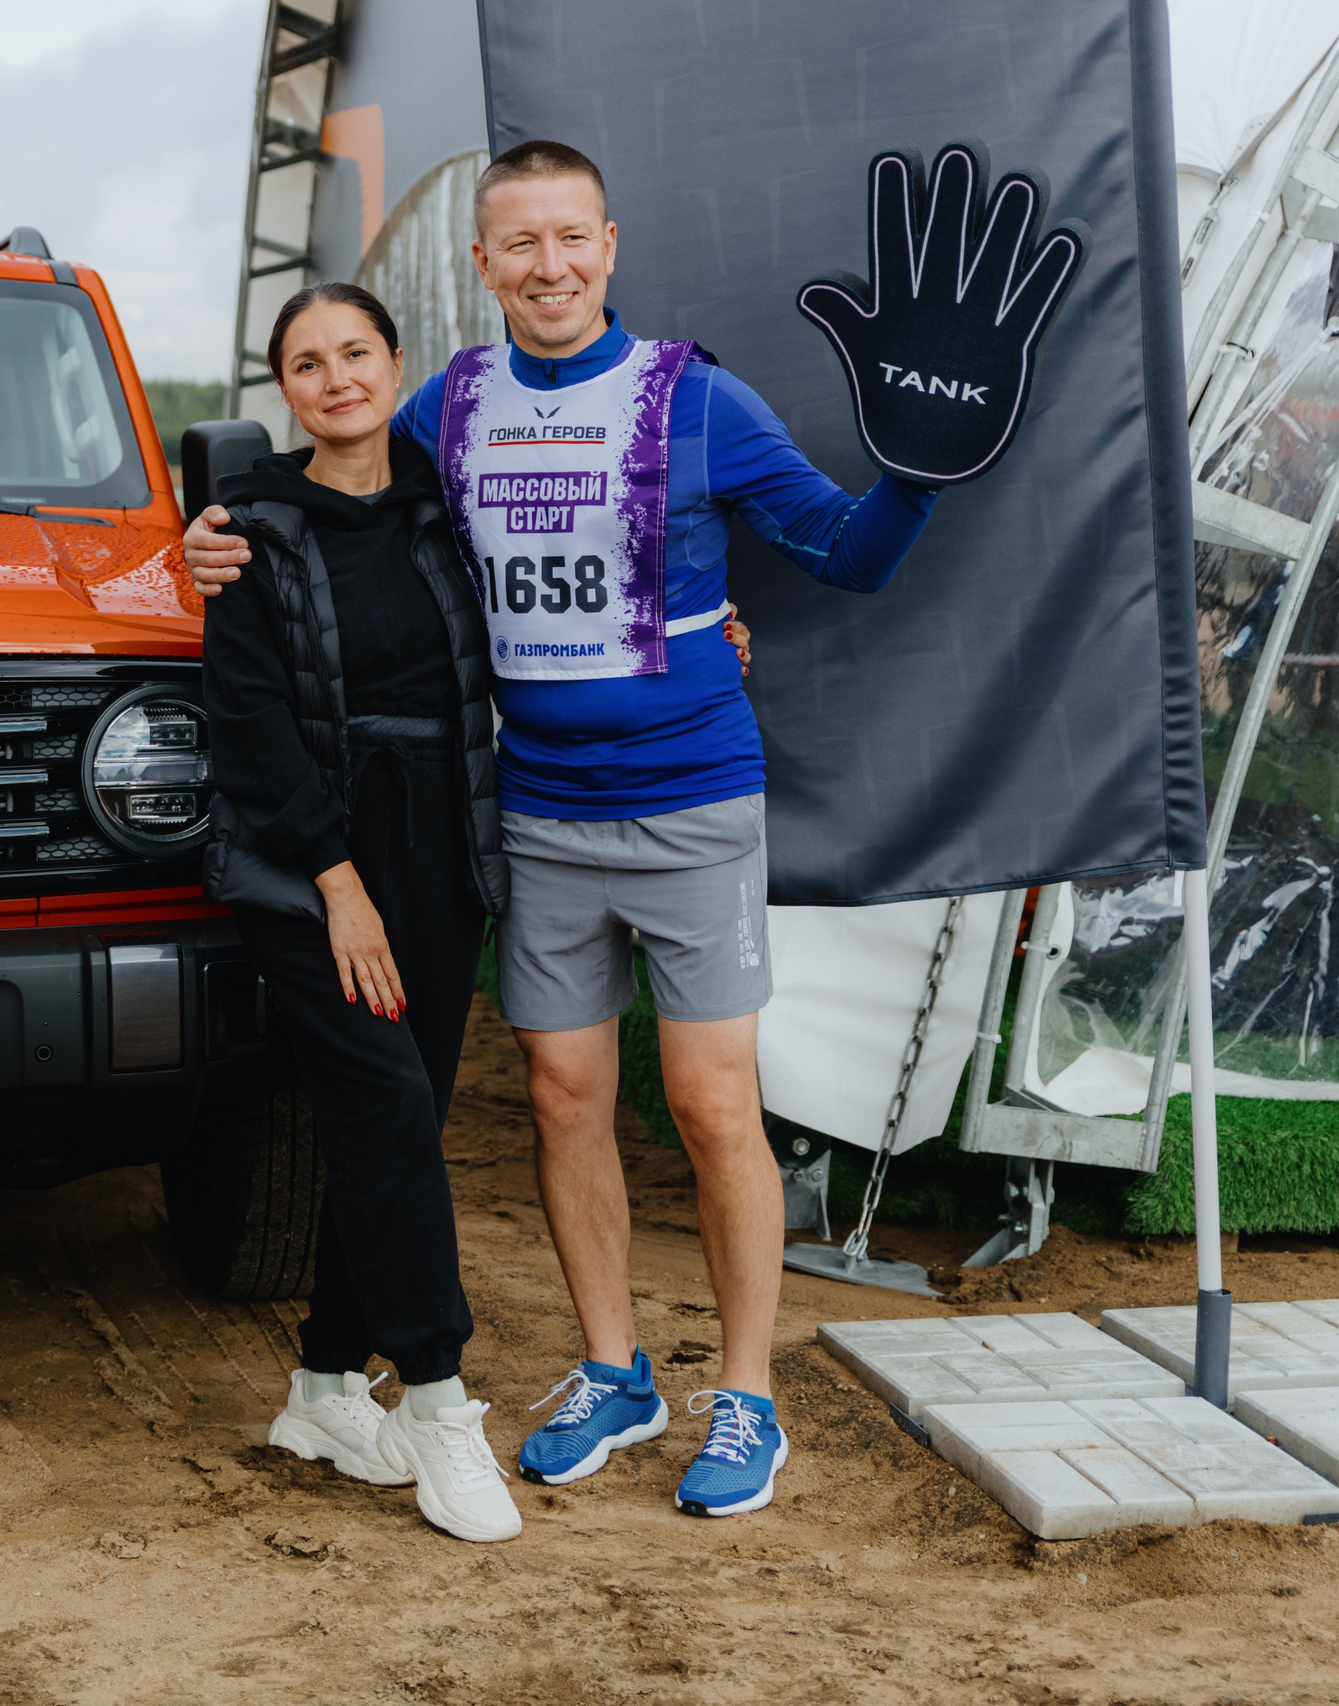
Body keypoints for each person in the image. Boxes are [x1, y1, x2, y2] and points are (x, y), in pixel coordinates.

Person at [187, 141, 940, 1518]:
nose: (546, 267)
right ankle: (613, 1371)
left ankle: (750, 1398)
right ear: (483, 265)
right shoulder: (445, 409)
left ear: (610, 244)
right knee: (560, 1100)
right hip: (531, 812)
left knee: (714, 1106)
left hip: (693, 800)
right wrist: (212, 543)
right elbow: (345, 505)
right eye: (517, 245)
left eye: (569, 240)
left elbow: (850, 550)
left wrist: (924, 469)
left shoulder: (697, 397)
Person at [202, 281, 520, 1543]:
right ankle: (439, 1401)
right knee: (384, 1101)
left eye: (355, 353)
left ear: (396, 365)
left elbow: (560, 602)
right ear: (283, 389)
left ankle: (326, 1386)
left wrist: (707, 618)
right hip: (307, 862)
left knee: (399, 1114)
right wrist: (337, 883)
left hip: (439, 837)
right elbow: (250, 724)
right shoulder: (251, 527)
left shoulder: (449, 505)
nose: (336, 377)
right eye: (306, 363)